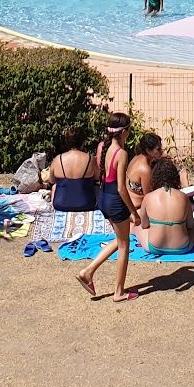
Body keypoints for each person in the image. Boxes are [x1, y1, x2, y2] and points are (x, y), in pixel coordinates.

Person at [75, 113, 139, 304]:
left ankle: (88, 272)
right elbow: (121, 187)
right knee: (124, 246)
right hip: (114, 200)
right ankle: (118, 292)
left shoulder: (102, 146)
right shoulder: (122, 154)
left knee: (120, 240)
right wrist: (134, 213)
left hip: (102, 197)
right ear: (125, 131)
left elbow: (99, 173)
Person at [140, 157, 194, 256]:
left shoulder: (148, 197)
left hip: (154, 246)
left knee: (137, 228)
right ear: (175, 177)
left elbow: (144, 225)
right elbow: (190, 225)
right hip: (182, 247)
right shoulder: (183, 197)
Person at [125, 132, 164, 209]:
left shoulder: (137, 157)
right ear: (148, 151)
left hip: (129, 205)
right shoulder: (145, 169)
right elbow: (148, 197)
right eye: (158, 149)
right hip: (137, 208)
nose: (161, 151)